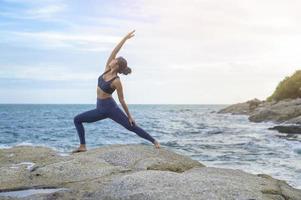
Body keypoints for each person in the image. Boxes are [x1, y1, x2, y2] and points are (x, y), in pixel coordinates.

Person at [72, 30, 160, 153]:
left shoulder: (116, 81)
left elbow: (122, 99)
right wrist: (125, 38)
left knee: (131, 127)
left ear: (117, 65)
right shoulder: (107, 68)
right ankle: (83, 146)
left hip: (110, 108)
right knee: (77, 119)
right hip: (100, 108)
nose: (112, 59)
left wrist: (130, 116)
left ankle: (154, 141)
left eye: (115, 60)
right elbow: (115, 50)